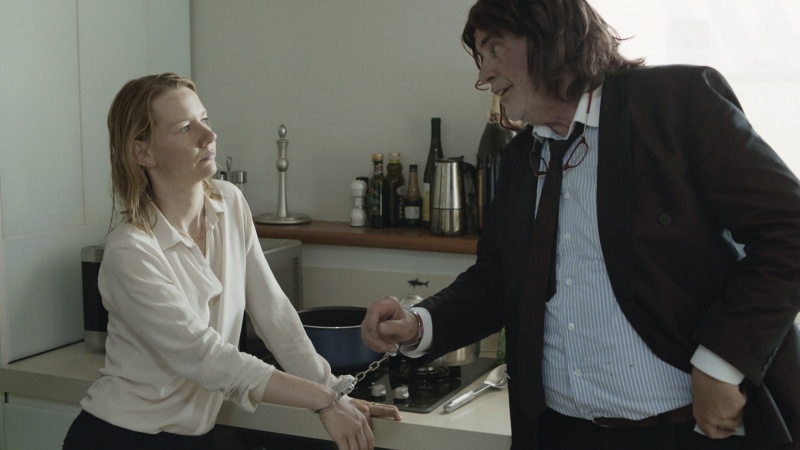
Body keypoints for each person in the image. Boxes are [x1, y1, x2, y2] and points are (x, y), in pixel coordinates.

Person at [361, 1, 800, 449]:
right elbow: (497, 279)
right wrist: (419, 324)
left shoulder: (676, 103)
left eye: (494, 48)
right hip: (557, 432)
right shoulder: (519, 158)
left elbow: (789, 230)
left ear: (550, 37)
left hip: (685, 432)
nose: (483, 75)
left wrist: (721, 361)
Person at [63, 73, 400, 450]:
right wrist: (323, 400)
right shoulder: (131, 250)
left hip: (193, 439)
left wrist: (334, 392)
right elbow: (206, 358)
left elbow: (273, 312)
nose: (208, 136)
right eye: (185, 128)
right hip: (122, 438)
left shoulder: (228, 203)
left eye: (204, 119)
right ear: (144, 153)